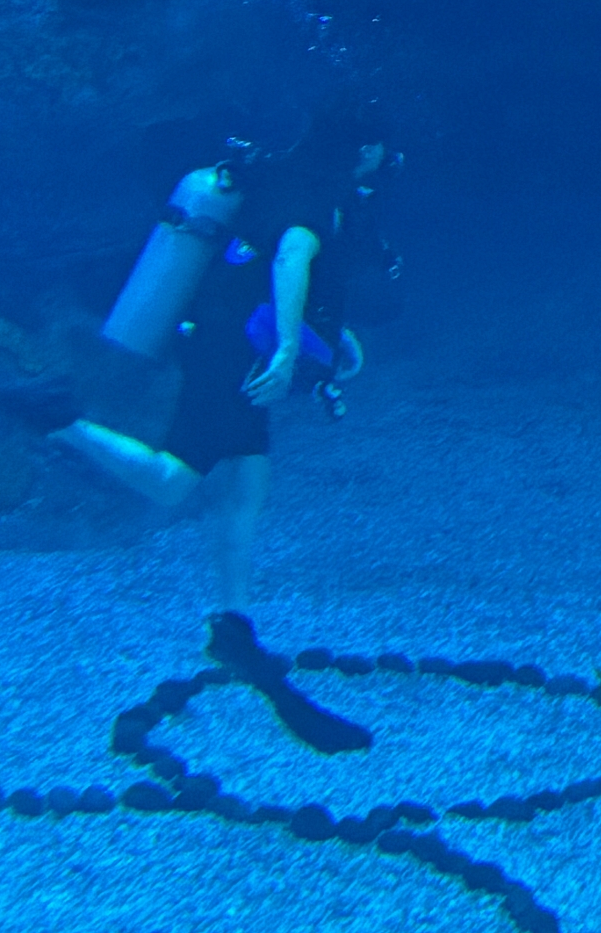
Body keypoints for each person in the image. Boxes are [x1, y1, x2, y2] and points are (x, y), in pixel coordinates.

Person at [59, 102, 393, 609]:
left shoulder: (282, 171)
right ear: (366, 150)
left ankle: (232, 621)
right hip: (228, 351)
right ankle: (57, 420)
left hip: (224, 338)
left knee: (247, 479)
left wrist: (326, 337)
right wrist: (286, 351)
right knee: (173, 481)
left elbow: (272, 267)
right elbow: (291, 257)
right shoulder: (320, 193)